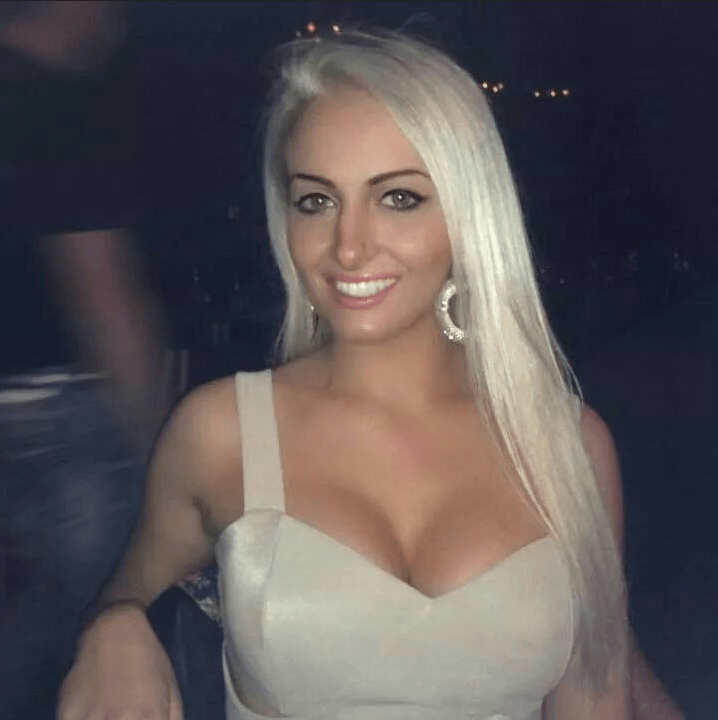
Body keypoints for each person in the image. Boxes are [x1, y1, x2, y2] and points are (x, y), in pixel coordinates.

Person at [58, 30, 632, 719]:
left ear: (469, 217)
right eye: (317, 201)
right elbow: (126, 596)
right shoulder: (222, 432)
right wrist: (113, 623)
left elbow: (594, 690)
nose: (348, 247)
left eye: (399, 198)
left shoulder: (568, 444)